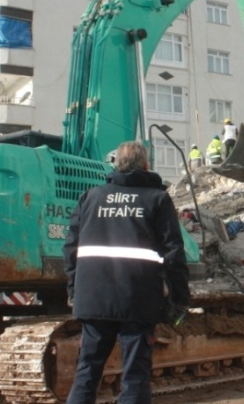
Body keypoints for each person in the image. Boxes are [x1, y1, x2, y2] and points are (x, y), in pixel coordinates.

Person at [63, 141, 191, 404]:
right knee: (135, 375)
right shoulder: (157, 199)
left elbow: (70, 249)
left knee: (87, 370)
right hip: (138, 299)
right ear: (146, 166)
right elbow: (173, 254)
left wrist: (74, 291)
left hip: (93, 298)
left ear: (116, 165)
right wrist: (180, 299)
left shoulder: (90, 197)